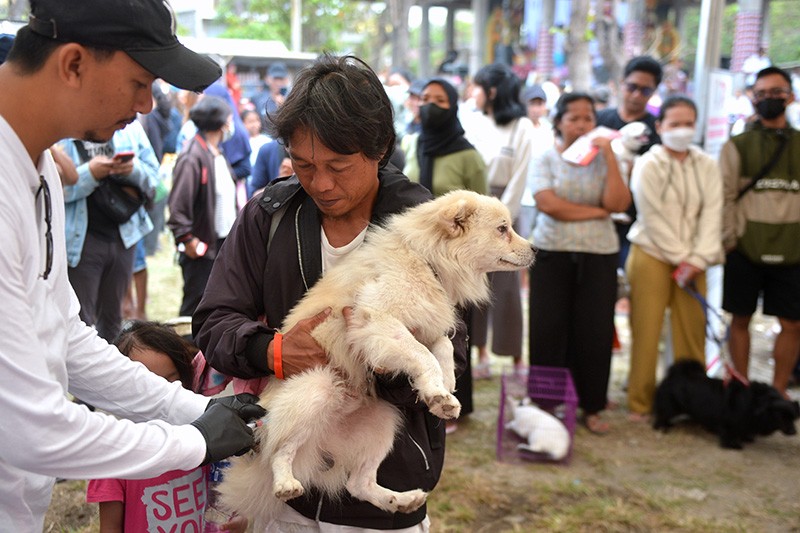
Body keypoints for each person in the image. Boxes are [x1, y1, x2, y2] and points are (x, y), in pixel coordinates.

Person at [0, 1, 266, 530]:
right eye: (139, 82)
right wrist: (190, 440)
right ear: (74, 64)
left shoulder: (39, 165)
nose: (148, 104)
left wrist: (193, 410)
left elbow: (67, 337)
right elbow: (28, 426)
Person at [193, 54, 468, 532]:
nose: (320, 183)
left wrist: (385, 364)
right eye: (303, 164)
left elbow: (452, 352)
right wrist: (271, 350)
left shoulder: (428, 227)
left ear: (380, 147)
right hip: (288, 490)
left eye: (338, 166)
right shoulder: (271, 214)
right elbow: (214, 319)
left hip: (385, 480)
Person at [528, 93, 630, 434]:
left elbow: (618, 201)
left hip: (599, 255)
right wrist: (600, 212)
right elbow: (549, 205)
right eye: (574, 118)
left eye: (588, 118)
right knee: (548, 327)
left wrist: (611, 157)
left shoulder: (607, 158)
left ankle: (593, 403)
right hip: (551, 253)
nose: (582, 124)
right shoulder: (545, 156)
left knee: (595, 329)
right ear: (559, 121)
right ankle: (546, 402)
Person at [87, 321, 249, 533]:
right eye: (145, 388)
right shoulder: (114, 454)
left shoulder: (208, 437)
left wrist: (245, 521)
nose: (159, 397)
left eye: (172, 383)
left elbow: (232, 504)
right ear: (120, 391)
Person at [625, 96, 724, 420]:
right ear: (660, 127)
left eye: (688, 124)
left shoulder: (706, 164)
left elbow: (713, 213)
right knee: (647, 331)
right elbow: (652, 217)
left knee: (692, 332)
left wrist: (696, 260)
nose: (682, 130)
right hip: (652, 253)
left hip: (695, 260)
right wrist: (684, 257)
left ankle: (692, 404)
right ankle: (641, 402)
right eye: (675, 124)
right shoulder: (648, 163)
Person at [401, 77, 486, 433]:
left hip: (459, 261)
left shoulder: (469, 155)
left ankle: (456, 398)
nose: (431, 105)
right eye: (425, 98)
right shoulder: (413, 143)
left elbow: (485, 212)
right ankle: (425, 393)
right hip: (420, 256)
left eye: (441, 99)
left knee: (455, 328)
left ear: (454, 105)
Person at [720, 66, 800, 398]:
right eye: (762, 93)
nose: (770, 99)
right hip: (745, 248)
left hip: (794, 249)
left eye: (777, 92)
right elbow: (724, 197)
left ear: (791, 96)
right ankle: (743, 390)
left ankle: (778, 393)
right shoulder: (737, 146)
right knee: (740, 320)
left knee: (792, 324)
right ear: (752, 98)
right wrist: (730, 240)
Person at [59, 120, 158, 341]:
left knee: (114, 319)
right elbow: (57, 188)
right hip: (81, 239)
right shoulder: (66, 126)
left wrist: (133, 170)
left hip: (125, 234)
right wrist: (90, 174)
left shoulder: (130, 128)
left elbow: (154, 178)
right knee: (80, 320)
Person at [464, 63, 534, 375]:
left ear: (492, 91)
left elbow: (520, 175)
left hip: (506, 208)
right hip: (474, 209)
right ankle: (479, 353)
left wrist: (504, 219)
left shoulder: (522, 126)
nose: (472, 93)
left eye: (477, 87)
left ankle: (514, 354)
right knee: (473, 282)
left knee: (506, 286)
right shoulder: (471, 120)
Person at [168, 96, 241, 317]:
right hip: (203, 249)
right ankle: (187, 350)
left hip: (220, 245)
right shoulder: (193, 156)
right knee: (195, 308)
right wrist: (188, 240)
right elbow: (178, 207)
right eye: (229, 118)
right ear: (220, 123)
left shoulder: (215, 152)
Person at [596, 56, 662, 269]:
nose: (636, 95)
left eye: (645, 90)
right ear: (620, 84)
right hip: (596, 218)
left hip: (637, 224)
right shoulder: (599, 120)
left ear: (653, 93)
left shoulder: (656, 131)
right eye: (632, 87)